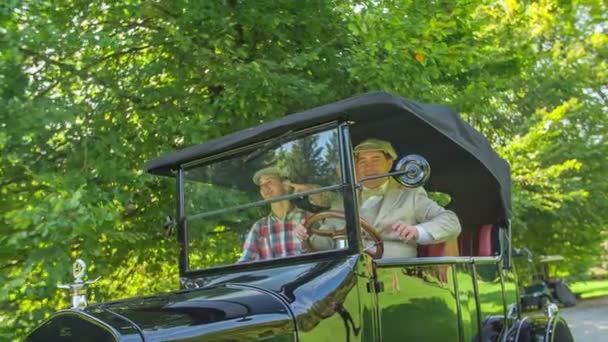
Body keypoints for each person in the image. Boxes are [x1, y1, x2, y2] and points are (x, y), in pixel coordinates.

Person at [354, 138, 461, 258]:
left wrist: (417, 231)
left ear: (389, 163)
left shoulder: (411, 193)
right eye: (362, 161)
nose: (369, 167)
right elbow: (329, 236)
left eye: (376, 160)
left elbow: (451, 222)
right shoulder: (343, 198)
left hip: (397, 270)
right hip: (347, 268)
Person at [239, 167, 315, 262]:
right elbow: (245, 263)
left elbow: (325, 255)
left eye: (269, 182)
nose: (264, 188)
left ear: (285, 185)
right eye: (261, 185)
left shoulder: (310, 218)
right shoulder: (259, 227)